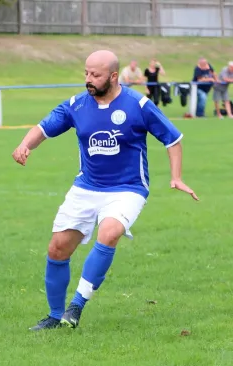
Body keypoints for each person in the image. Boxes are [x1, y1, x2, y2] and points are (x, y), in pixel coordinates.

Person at [12, 50, 198, 331]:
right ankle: (54, 316)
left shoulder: (139, 105)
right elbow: (43, 127)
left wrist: (177, 176)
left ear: (113, 76)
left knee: (109, 232)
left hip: (128, 188)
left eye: (95, 75)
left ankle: (77, 305)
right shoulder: (76, 105)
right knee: (58, 248)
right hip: (87, 186)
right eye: (86, 73)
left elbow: (173, 140)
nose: (88, 79)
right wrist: (25, 145)